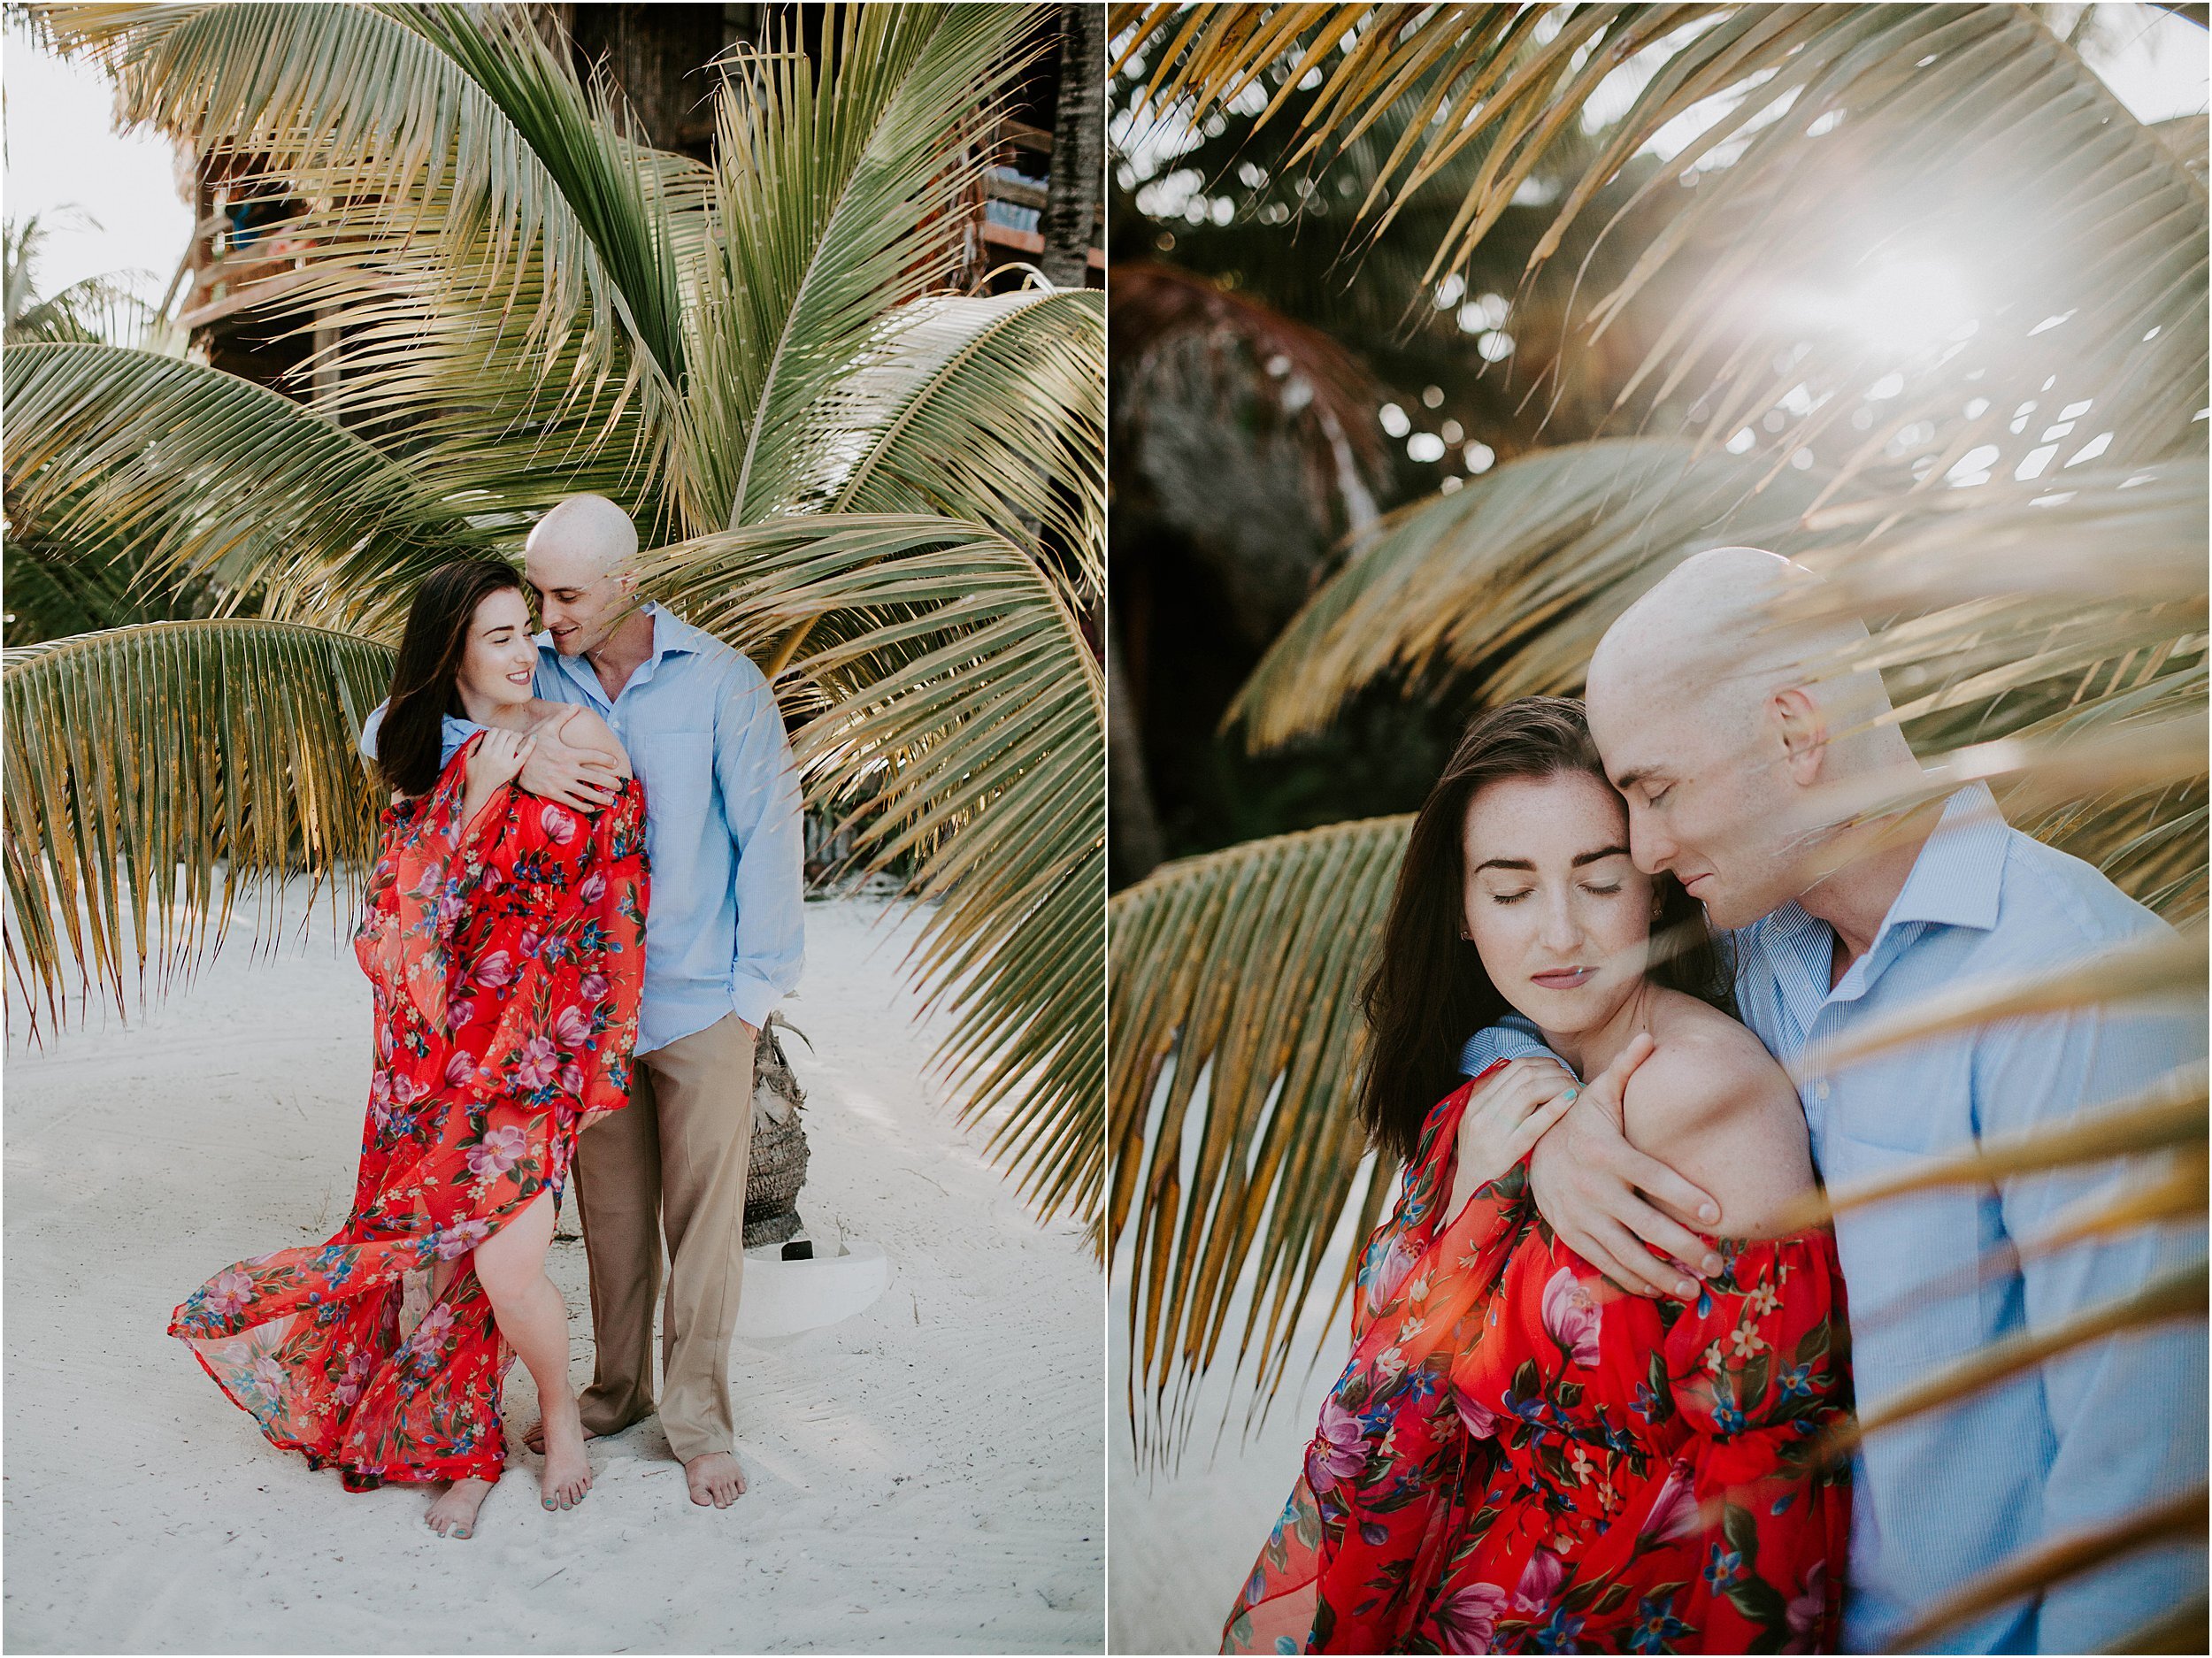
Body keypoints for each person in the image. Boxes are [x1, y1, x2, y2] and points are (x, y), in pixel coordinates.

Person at [1466, 548, 2204, 1652]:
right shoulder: (1765, 945)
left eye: (1658, 792)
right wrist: (1549, 1122)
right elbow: (1545, 1004)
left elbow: (2148, 1498)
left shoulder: (2069, 989)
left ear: (1795, 732)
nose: (1649, 851)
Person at [1226, 697, 1853, 1655]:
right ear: (1464, 915)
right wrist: (1485, 1186)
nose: (1558, 934)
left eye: (1598, 882)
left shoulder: (1702, 1094)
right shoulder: (1497, 1092)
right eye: (1510, 892)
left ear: (1653, 886)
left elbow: (1770, 1470)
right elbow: (1391, 1403)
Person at [172, 559, 648, 1540]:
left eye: (529, 630)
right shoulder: (431, 756)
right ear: (453, 653)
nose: (529, 652)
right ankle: (462, 1443)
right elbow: (403, 909)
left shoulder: (579, 735)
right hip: (433, 1049)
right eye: (502, 637)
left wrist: (603, 1052)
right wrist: (477, 783)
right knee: (439, 1259)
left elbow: (617, 901)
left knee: (510, 1262)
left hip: (536, 1051)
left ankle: (558, 1414)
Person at [360, 495, 805, 1509]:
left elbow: (769, 841)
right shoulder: (540, 664)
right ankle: (612, 1393)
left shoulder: (723, 683)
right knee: (609, 1218)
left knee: (701, 1226)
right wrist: (491, 752)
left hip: (698, 999)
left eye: (565, 595)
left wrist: (754, 996)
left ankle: (698, 1422)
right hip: (580, 1017)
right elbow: (390, 723)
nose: (550, 618)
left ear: (626, 583)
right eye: (537, 596)